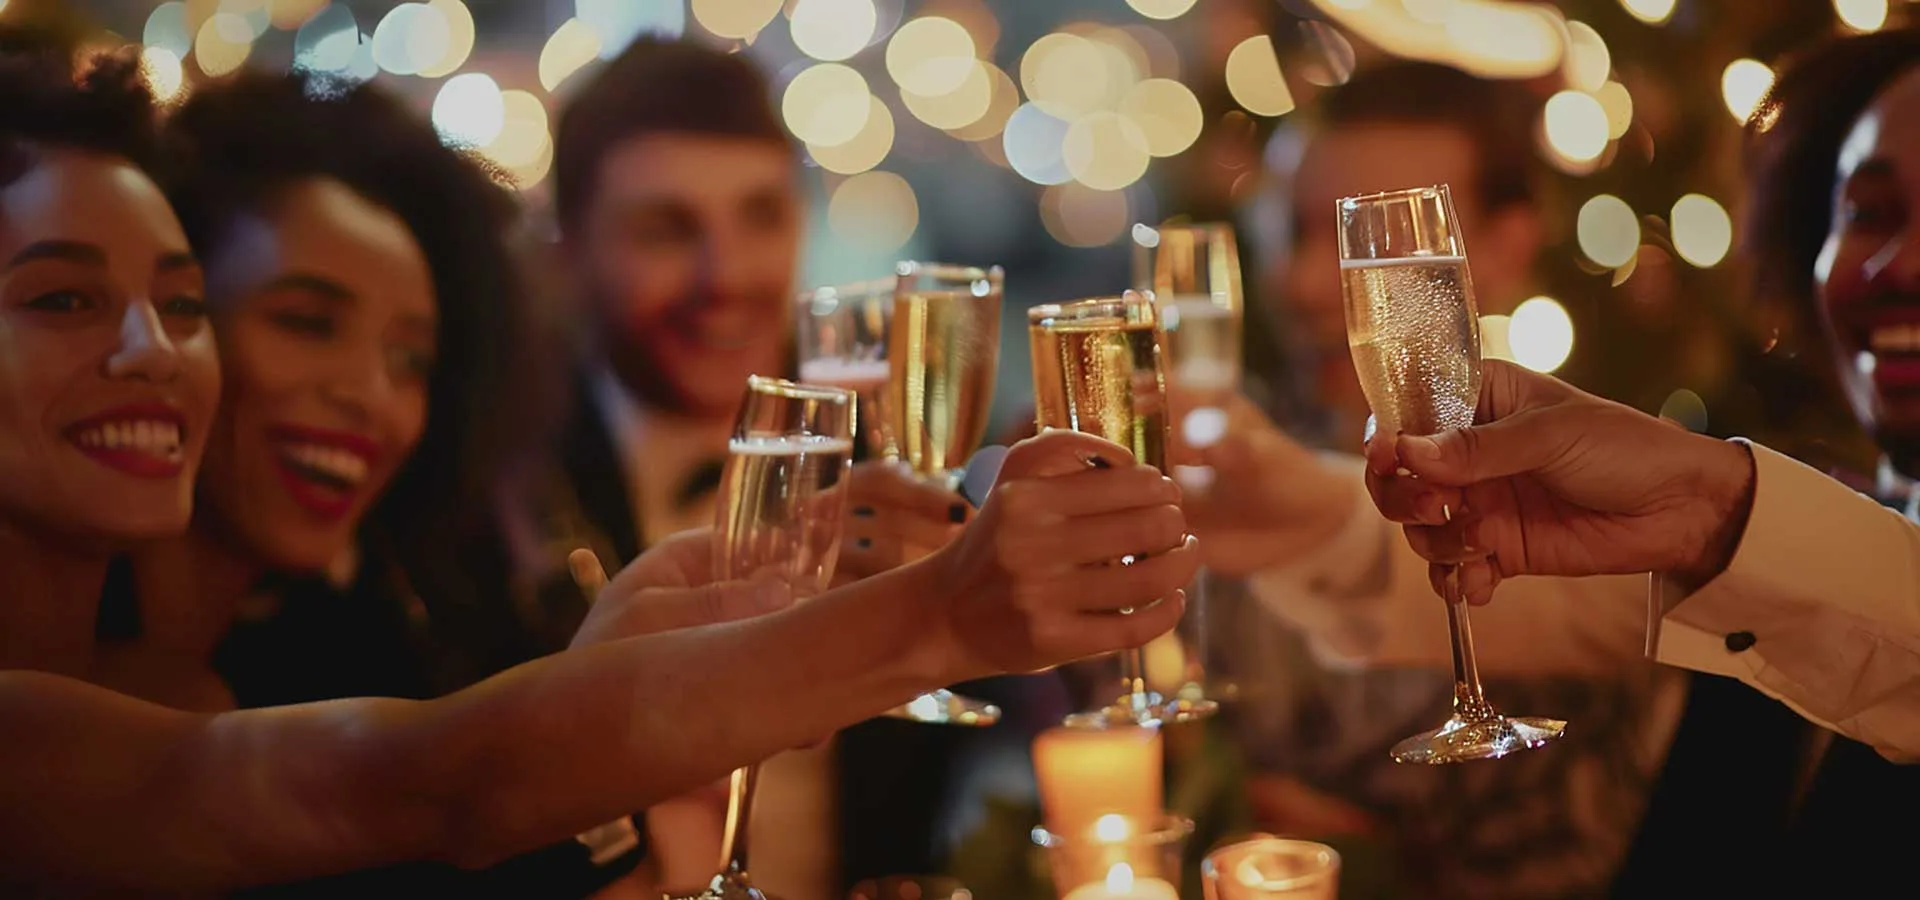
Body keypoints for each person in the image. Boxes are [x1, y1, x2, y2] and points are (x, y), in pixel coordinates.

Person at [0, 39, 1204, 895]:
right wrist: (936, 618)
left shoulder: (201, 658)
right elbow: (430, 788)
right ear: (569, 251)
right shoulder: (416, 564)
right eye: (60, 298)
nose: (150, 352)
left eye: (181, 307)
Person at [1364, 28, 1920, 892]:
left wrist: (1716, 510)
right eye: (1866, 213)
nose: (1900, 264)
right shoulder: (1798, 563)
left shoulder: (1779, 555)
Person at [1194, 61, 1670, 899]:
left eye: (1366, 244)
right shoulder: (1236, 461)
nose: (1306, 284)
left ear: (1507, 246)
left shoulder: (1606, 488)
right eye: (1295, 232)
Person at [546, 36, 968, 894]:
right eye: (666, 230)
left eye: (761, 217)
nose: (727, 276)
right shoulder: (498, 488)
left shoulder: (893, 451)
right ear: (571, 249)